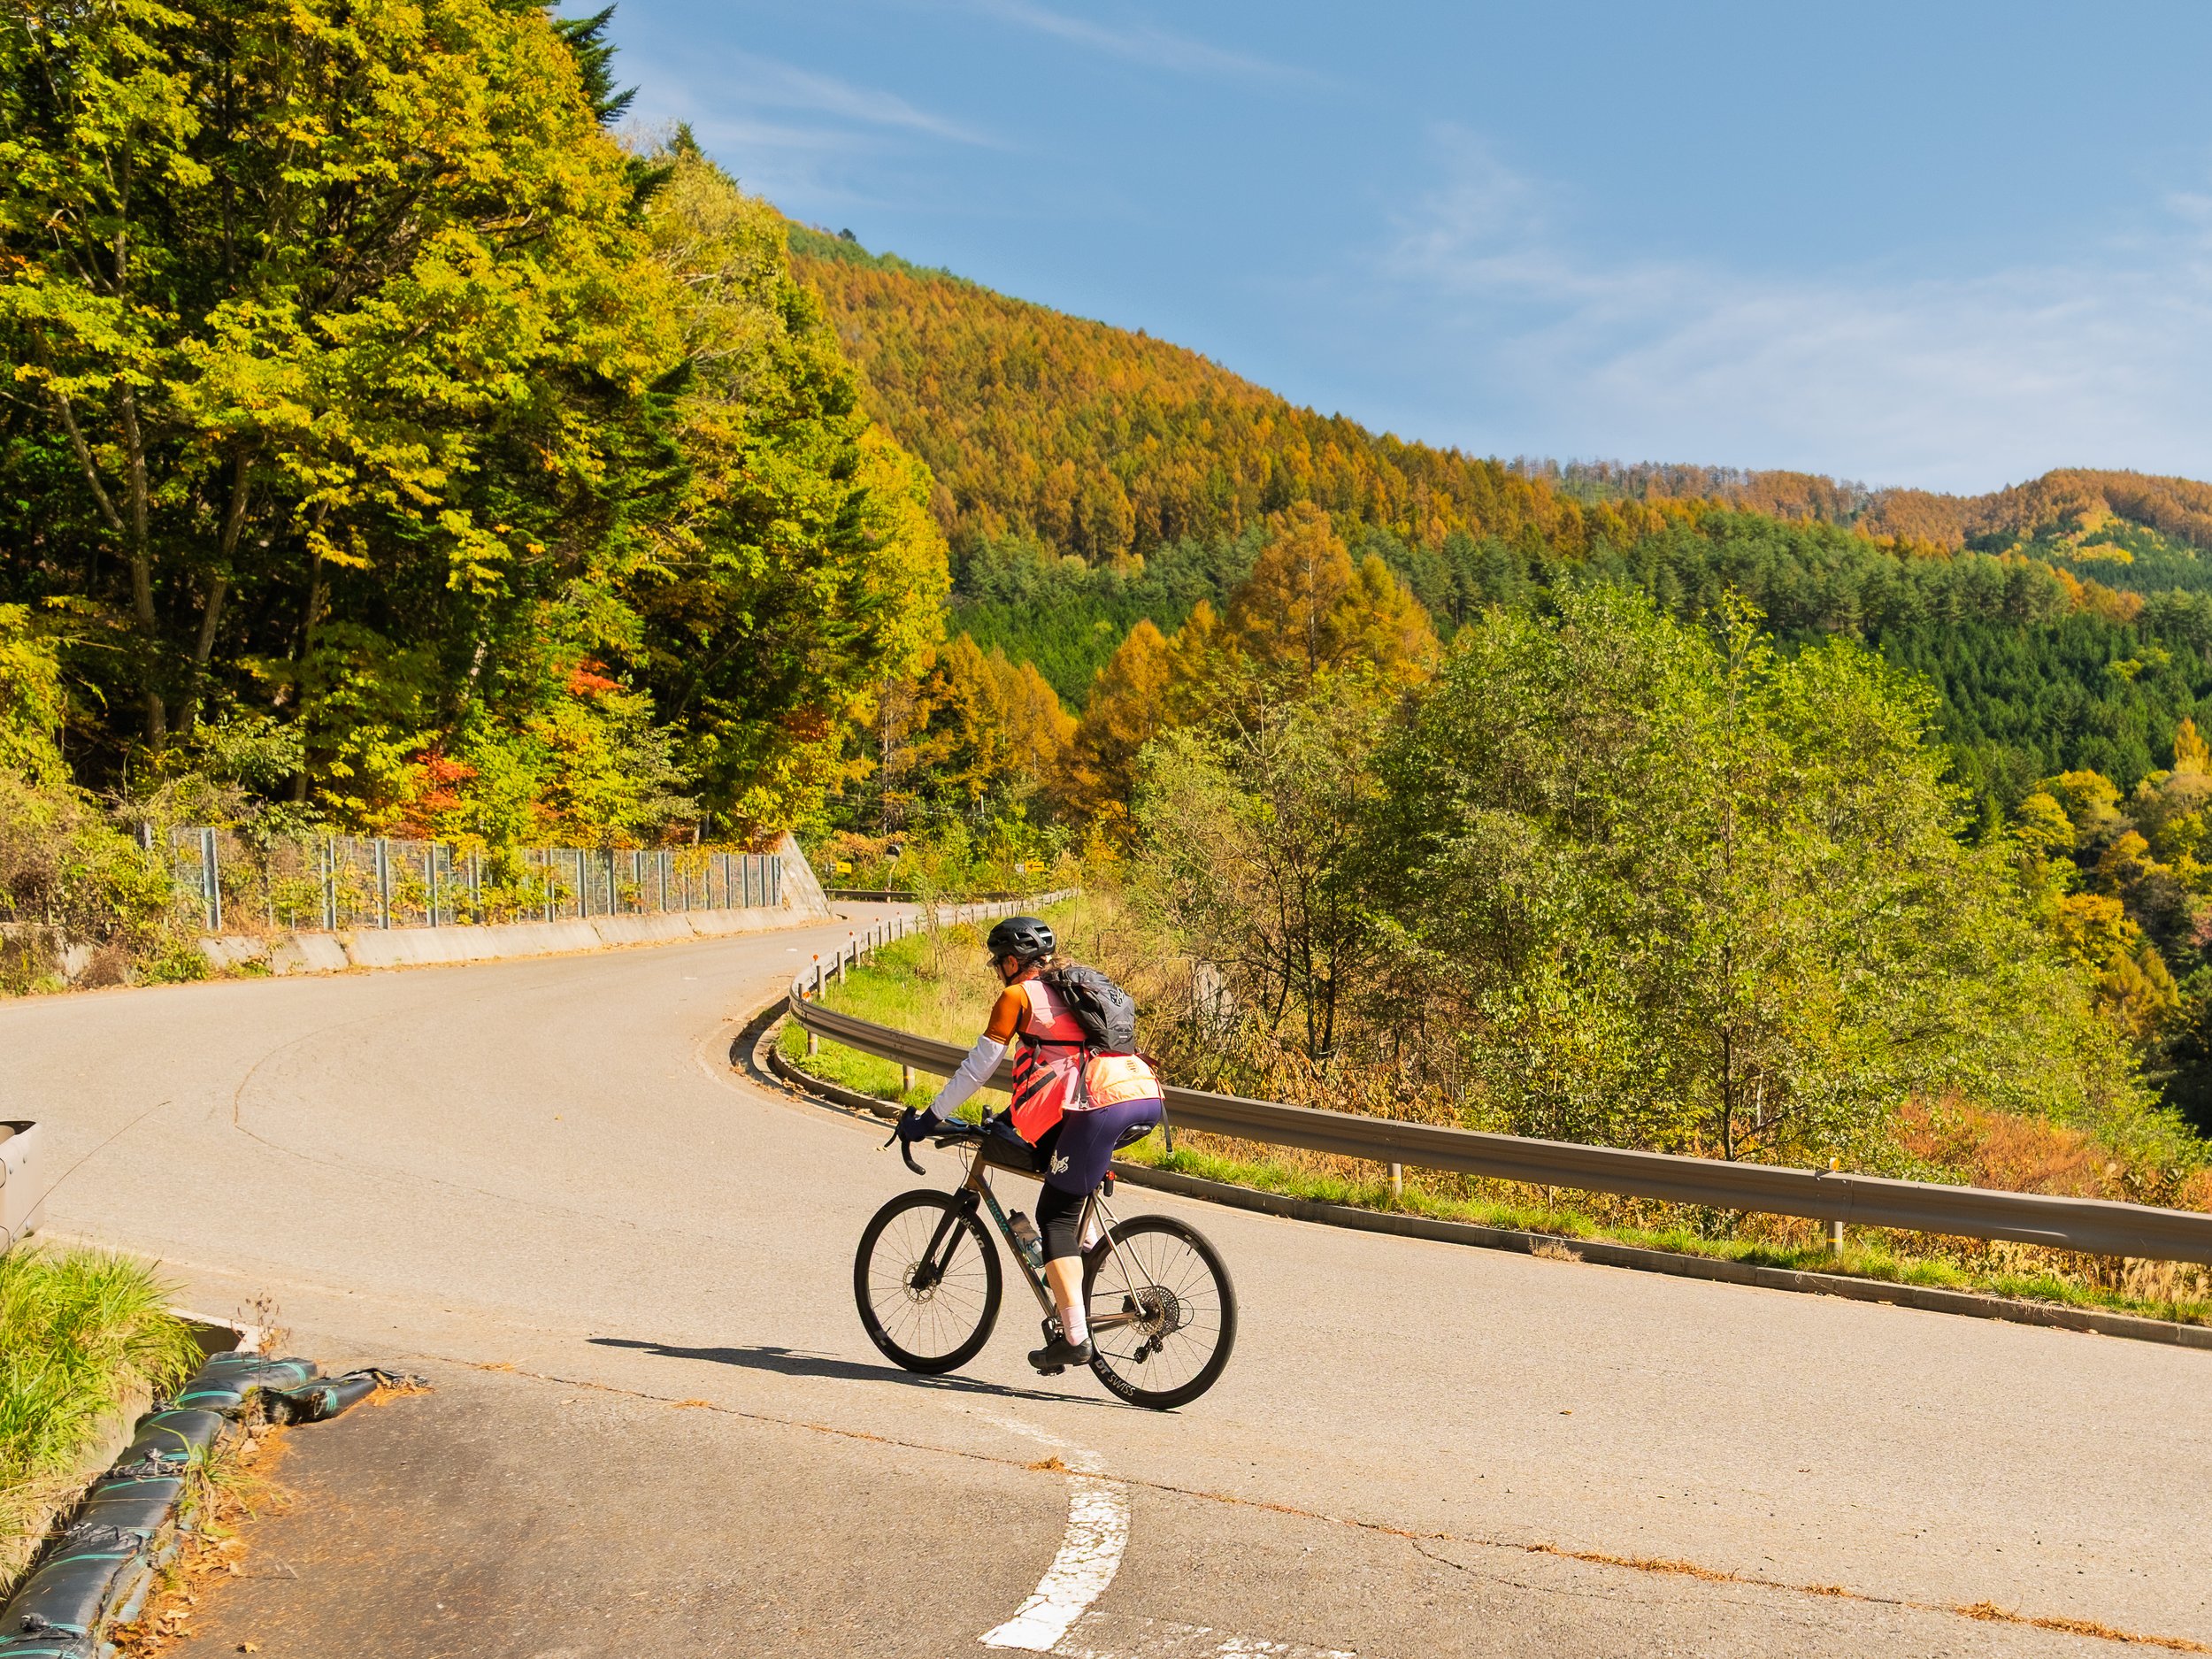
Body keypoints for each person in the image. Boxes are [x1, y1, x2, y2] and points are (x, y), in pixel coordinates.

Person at [896, 915, 1164, 1375]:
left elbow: (979, 1067)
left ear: (1013, 961)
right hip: (1141, 1095)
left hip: (1097, 1108)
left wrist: (932, 1117)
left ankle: (1076, 1339)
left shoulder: (1018, 996)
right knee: (1059, 1177)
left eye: (999, 961)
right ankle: (1090, 1262)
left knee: (1054, 1217)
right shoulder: (1073, 988)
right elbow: (1058, 1070)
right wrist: (1007, 1117)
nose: (998, 970)